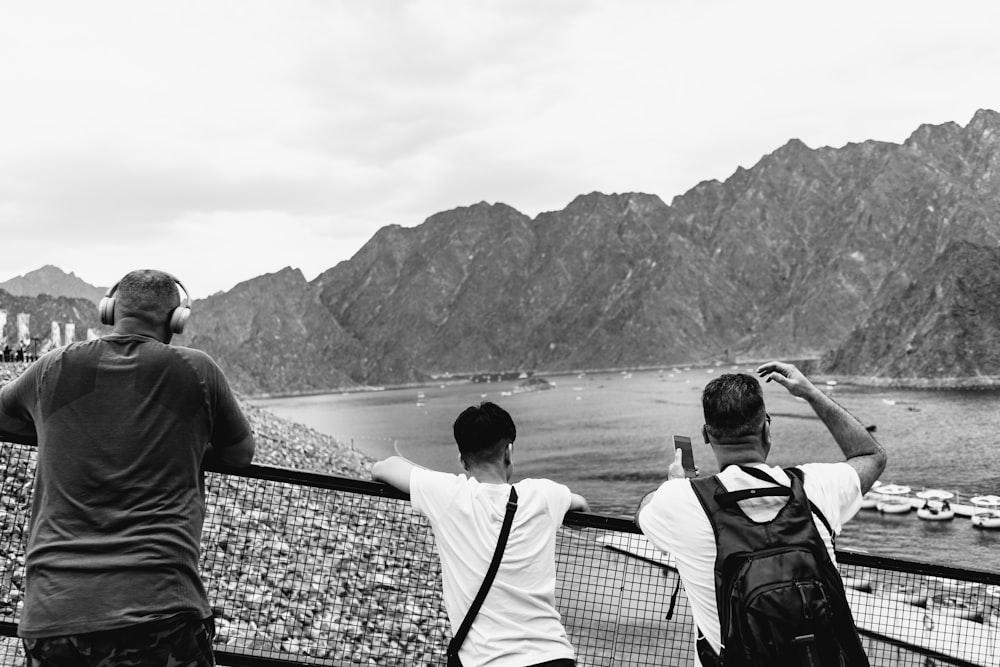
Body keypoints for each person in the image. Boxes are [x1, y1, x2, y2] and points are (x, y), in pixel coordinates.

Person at [0, 269, 255, 667]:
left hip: (54, 615)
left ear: (110, 310)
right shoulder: (197, 371)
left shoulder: (52, 367)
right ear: (176, 320)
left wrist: (55, 430)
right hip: (160, 614)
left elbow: (3, 417)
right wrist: (184, 444)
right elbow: (240, 453)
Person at [636, 361, 886, 666]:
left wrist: (673, 485)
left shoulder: (680, 501)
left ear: (706, 435)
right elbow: (871, 456)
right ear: (766, 429)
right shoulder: (816, 487)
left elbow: (643, 512)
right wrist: (808, 392)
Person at [371, 401, 589, 667]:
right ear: (509, 452)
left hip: (486, 661)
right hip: (553, 657)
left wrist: (439, 479)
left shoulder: (449, 495)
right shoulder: (544, 494)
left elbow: (384, 467)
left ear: (462, 461)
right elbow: (582, 506)